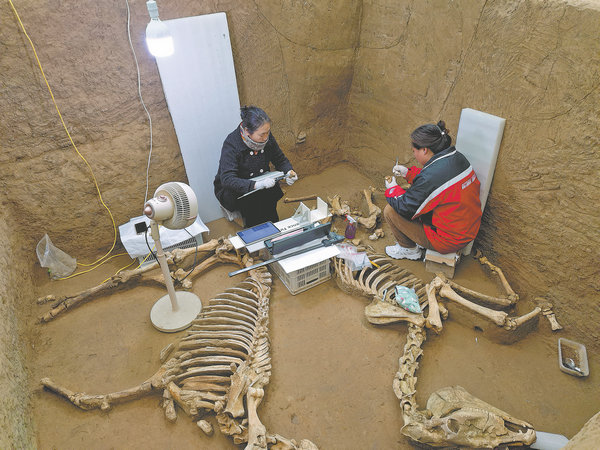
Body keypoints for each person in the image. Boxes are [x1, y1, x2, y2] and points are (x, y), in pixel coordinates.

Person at [383, 120, 482, 260]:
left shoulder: (431, 178)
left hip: (448, 240)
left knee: (390, 210)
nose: (414, 154)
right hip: (467, 228)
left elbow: (405, 207)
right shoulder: (457, 157)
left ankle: (408, 249)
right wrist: (409, 173)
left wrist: (392, 189)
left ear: (424, 150)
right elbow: (437, 182)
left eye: (414, 151)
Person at [214, 106, 298, 227]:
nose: (266, 138)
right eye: (262, 135)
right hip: (238, 188)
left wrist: (289, 172)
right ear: (247, 131)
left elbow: (279, 159)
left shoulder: (266, 137)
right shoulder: (232, 144)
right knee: (253, 212)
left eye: (268, 132)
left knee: (270, 204)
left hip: (262, 179)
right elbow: (227, 179)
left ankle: (273, 225)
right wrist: (255, 185)